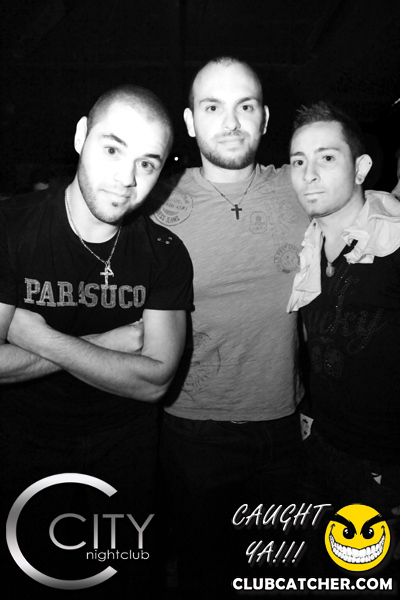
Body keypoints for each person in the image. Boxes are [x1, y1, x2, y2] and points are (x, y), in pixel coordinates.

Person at [0, 84, 193, 598]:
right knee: (29, 575)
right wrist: (108, 341)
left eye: (147, 163)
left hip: (126, 450)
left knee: (123, 581)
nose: (127, 179)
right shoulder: (11, 227)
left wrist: (35, 334)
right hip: (23, 442)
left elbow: (155, 381)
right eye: (112, 149)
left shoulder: (165, 252)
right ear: (81, 136)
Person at [147, 56, 309, 599]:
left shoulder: (302, 187)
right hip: (193, 432)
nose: (232, 122)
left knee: (276, 578)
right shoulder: (153, 205)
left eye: (245, 106)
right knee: (205, 577)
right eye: (213, 107)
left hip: (285, 425)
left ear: (265, 117)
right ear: (190, 122)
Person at [287, 101, 400, 580]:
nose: (309, 174)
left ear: (361, 168)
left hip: (386, 465)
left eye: (327, 158)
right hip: (323, 449)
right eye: (298, 161)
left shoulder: (395, 241)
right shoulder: (305, 243)